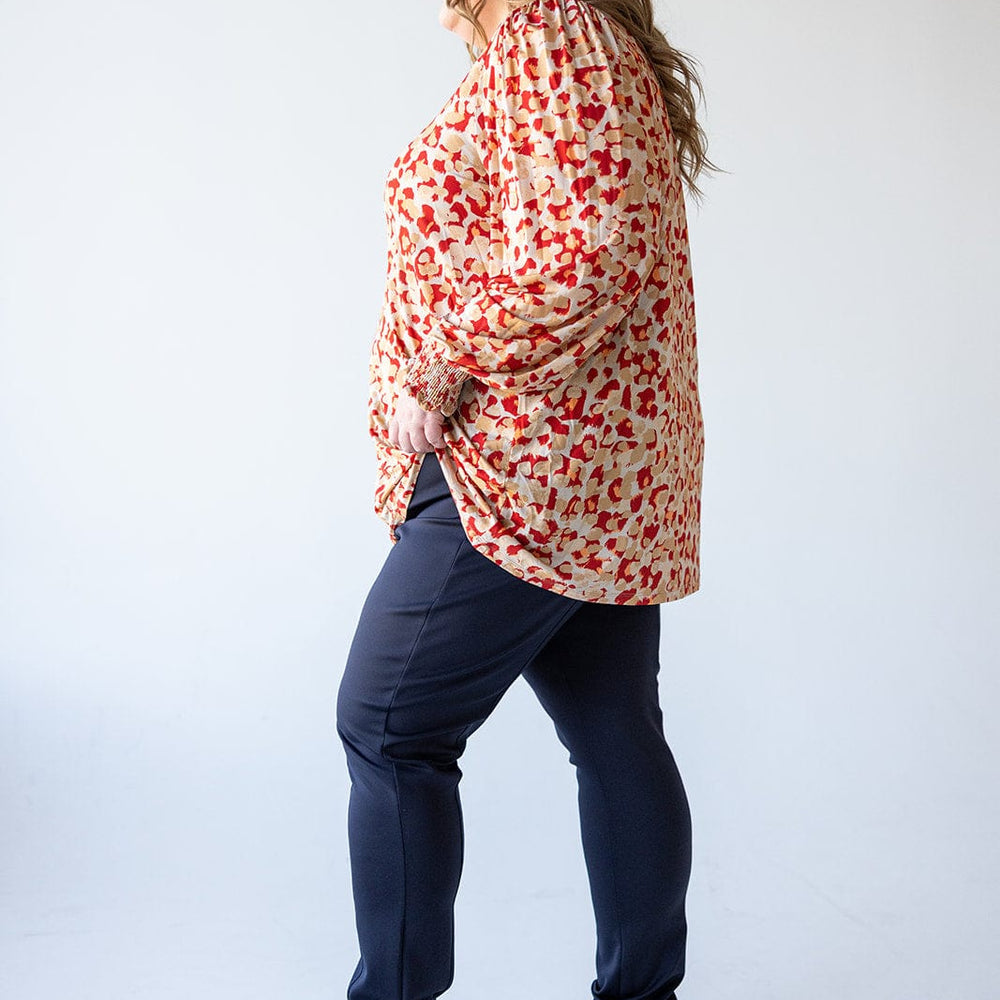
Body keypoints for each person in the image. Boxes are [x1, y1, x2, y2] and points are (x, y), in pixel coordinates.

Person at [336, 1, 717, 998]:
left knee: (386, 725)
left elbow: (595, 242)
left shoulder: (553, 25)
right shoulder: (541, 41)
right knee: (613, 731)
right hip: (587, 471)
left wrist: (448, 362)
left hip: (519, 472)